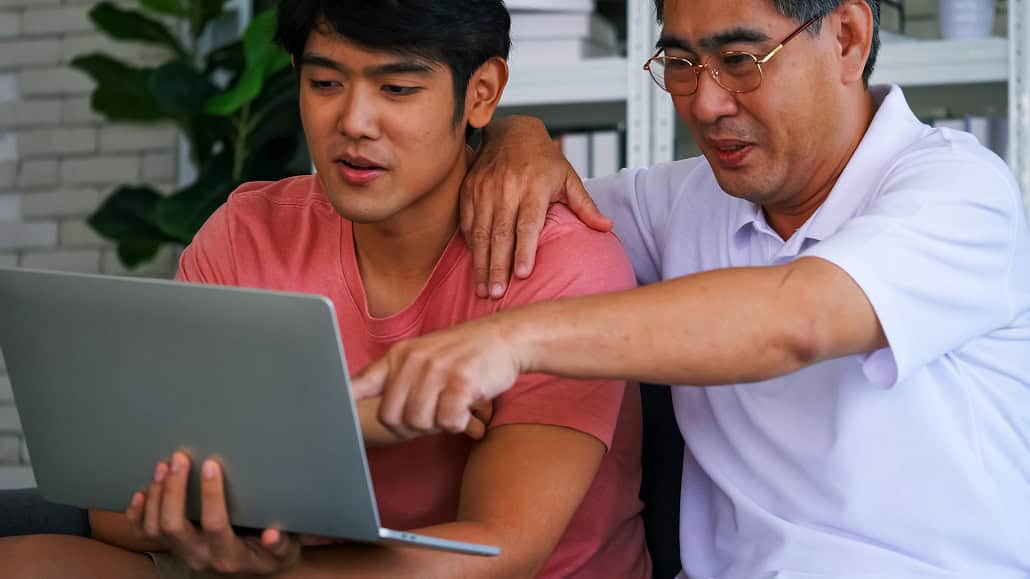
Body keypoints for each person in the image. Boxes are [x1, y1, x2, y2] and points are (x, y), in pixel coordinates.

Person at [352, 0, 1030, 577]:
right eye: (679, 63)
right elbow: (547, 223)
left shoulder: (959, 190)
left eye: (740, 60)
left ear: (848, 37)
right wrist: (516, 134)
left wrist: (509, 341)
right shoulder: (683, 200)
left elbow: (797, 317)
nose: (704, 102)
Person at [0, 1, 652, 577]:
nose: (354, 121)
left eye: (396, 88)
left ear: (481, 93)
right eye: (325, 82)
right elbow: (118, 511)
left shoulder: (561, 259)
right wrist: (352, 422)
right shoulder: (248, 233)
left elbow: (499, 550)